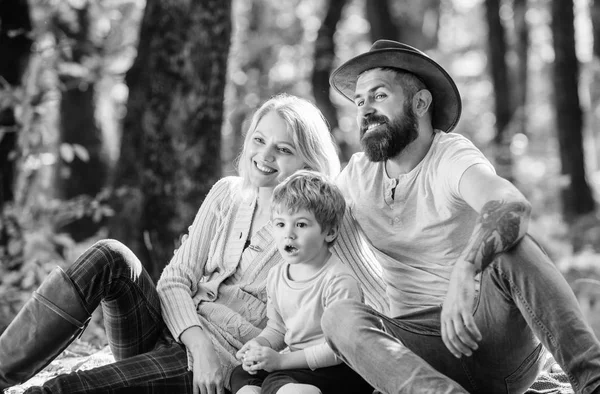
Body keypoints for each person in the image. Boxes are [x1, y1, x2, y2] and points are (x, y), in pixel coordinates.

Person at [0, 93, 383, 394]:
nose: (263, 156)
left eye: (283, 149)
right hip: (172, 334)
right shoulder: (227, 195)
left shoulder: (320, 226)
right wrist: (196, 342)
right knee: (109, 254)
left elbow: (369, 291)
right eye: (259, 140)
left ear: (309, 162)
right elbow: (174, 280)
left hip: (218, 367)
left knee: (69, 388)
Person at [321, 40, 600, 393]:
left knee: (511, 243)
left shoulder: (449, 155)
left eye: (379, 96)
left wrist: (466, 271)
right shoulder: (357, 175)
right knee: (338, 318)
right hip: (422, 355)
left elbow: (510, 203)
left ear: (420, 102)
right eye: (359, 101)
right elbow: (305, 217)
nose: (364, 110)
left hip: (494, 339)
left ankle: (594, 380)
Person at [229, 170, 373, 394]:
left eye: (301, 225)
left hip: (341, 369)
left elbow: (340, 350)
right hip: (298, 366)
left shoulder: (339, 281)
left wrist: (280, 362)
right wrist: (260, 346)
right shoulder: (277, 275)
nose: (289, 234)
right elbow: (277, 329)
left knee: (279, 383)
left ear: (330, 232)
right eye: (280, 224)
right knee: (240, 374)